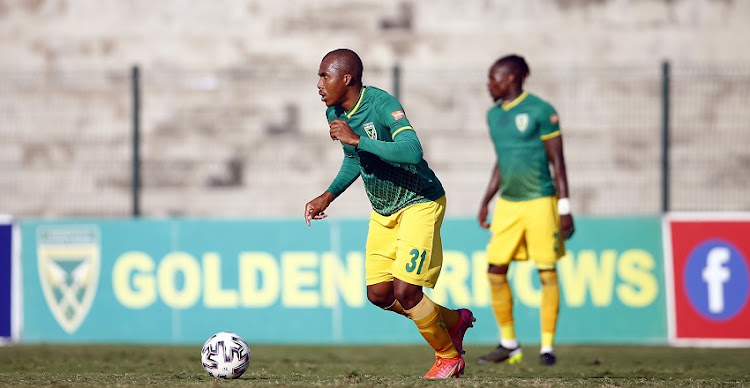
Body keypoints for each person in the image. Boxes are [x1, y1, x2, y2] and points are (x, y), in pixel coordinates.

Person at [304, 48, 475, 379]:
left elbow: (412, 152)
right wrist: (328, 196)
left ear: (347, 79)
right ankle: (454, 321)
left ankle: (448, 356)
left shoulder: (382, 104)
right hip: (384, 209)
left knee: (406, 291)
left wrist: (357, 139)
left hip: (419, 200)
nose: (319, 84)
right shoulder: (334, 112)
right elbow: (355, 158)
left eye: (325, 76)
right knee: (379, 294)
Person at [476, 54, 575, 366]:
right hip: (508, 203)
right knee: (495, 270)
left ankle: (547, 347)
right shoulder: (493, 116)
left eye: (493, 77)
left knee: (546, 272)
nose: (488, 84)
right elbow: (502, 161)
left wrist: (565, 206)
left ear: (510, 78)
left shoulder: (541, 111)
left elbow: (558, 162)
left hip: (540, 201)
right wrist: (486, 199)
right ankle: (509, 344)